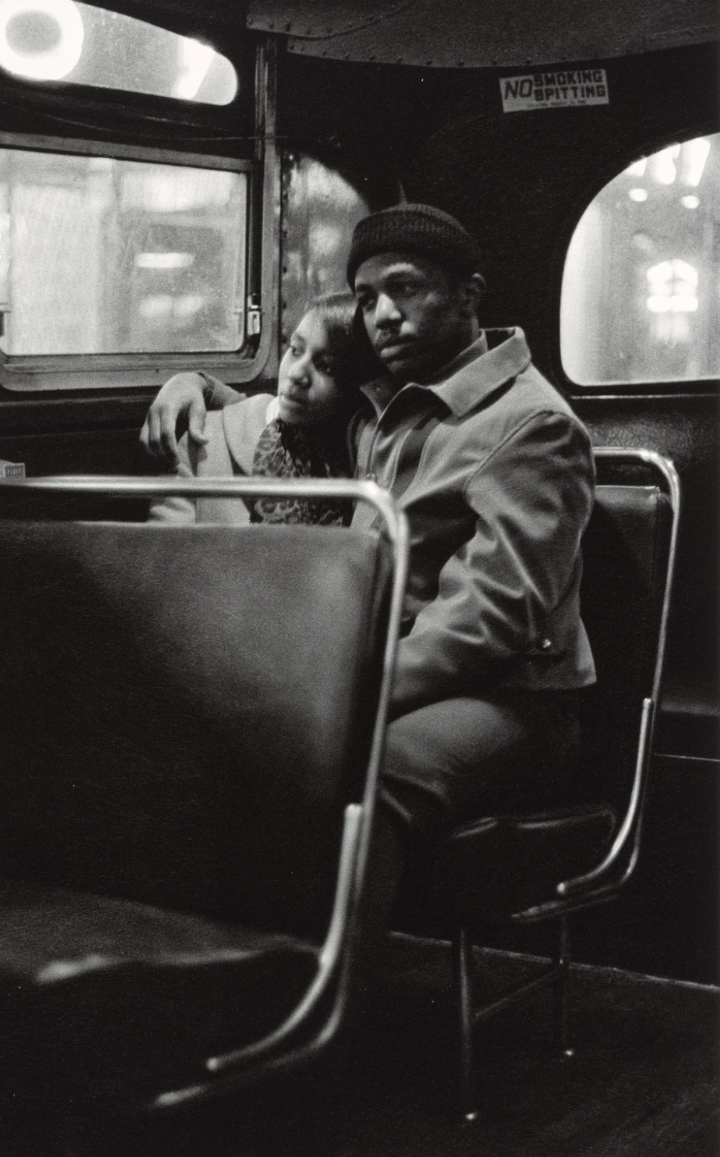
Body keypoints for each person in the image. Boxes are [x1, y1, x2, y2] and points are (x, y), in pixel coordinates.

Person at [141, 203, 596, 919]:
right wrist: (196, 384)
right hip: (386, 676)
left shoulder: (529, 424)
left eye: (406, 288)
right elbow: (284, 406)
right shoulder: (391, 403)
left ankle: (331, 1006)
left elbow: (490, 618)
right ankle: (239, 970)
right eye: (365, 297)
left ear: (468, 295)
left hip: (509, 705)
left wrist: (335, 690)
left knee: (361, 772)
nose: (383, 314)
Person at [145, 292, 369, 527]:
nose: (295, 374)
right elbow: (163, 553)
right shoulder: (204, 440)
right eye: (295, 350)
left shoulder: (367, 456)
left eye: (326, 366)